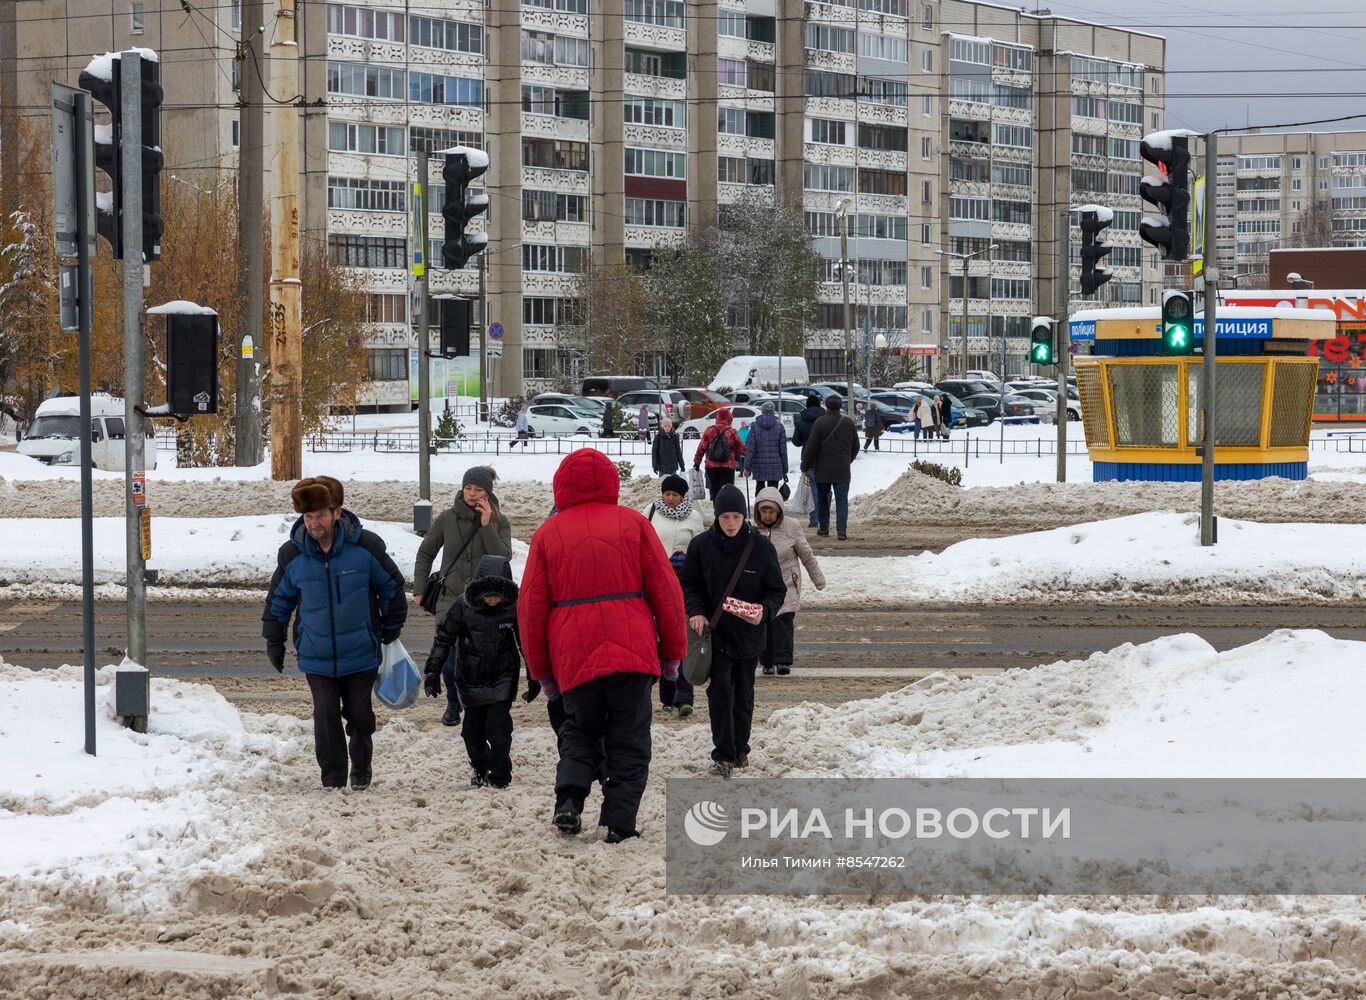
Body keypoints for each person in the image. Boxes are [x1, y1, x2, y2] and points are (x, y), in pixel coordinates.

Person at [519, 448, 687, 842]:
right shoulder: (634, 523)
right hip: (633, 650)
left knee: (579, 730)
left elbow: (530, 609)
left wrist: (542, 672)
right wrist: (672, 654)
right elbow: (667, 593)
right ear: (611, 482)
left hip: (573, 654)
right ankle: (618, 823)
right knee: (629, 739)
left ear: (561, 486)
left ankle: (569, 800)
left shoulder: (548, 533)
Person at [263, 478, 407, 790]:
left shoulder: (365, 546)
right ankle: (333, 779)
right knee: (325, 716)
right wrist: (274, 640)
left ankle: (362, 766)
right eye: (308, 517)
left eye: (321, 515)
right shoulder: (292, 554)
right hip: (316, 654)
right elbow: (279, 600)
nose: (314, 523)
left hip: (361, 651)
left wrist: (391, 625)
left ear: (337, 512)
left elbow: (392, 586)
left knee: (360, 716)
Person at [680, 484, 786, 778]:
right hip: (716, 635)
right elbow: (689, 584)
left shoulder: (761, 548)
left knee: (743, 695)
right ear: (716, 517)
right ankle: (724, 754)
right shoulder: (701, 546)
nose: (730, 523)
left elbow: (777, 591)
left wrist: (764, 610)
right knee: (720, 693)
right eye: (725, 517)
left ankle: (741, 749)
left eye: (736, 517)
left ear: (744, 516)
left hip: (749, 636)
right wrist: (696, 611)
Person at [413, 466, 513, 727]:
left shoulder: (500, 521)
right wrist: (420, 590)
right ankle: (453, 703)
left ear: (487, 492)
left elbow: (503, 557)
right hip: (449, 597)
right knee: (449, 657)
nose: (472, 493)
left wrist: (486, 526)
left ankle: (476, 703)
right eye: (468, 488)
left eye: (478, 489)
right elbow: (426, 552)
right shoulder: (447, 518)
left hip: (483, 603)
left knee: (479, 657)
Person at [422, 555, 528, 789]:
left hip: (503, 676)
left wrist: (534, 675)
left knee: (498, 731)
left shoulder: (514, 606)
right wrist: (432, 671)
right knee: (472, 735)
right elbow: (443, 639)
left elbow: (526, 642)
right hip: (470, 678)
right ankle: (480, 768)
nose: (493, 600)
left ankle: (500, 776)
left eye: (497, 596)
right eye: (488, 595)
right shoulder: (463, 605)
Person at [642, 473, 708, 717]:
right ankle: (666, 696)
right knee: (658, 637)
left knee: (681, 636)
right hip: (655, 582)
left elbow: (700, 550)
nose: (670, 498)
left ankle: (684, 697)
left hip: (683, 584)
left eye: (675, 495)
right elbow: (640, 543)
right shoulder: (650, 512)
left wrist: (688, 564)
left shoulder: (693, 517)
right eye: (667, 494)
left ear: (683, 497)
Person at [751, 488, 826, 677]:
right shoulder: (750, 528)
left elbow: (806, 554)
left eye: (772, 511)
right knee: (764, 623)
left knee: (783, 623)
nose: (768, 516)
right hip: (761, 587)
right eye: (764, 511)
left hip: (787, 584)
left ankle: (783, 661)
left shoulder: (792, 526)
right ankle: (767, 662)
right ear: (758, 511)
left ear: (779, 511)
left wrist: (818, 579)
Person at [800, 396, 860, 540]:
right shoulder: (848, 423)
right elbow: (856, 446)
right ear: (840, 407)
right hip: (842, 470)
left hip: (823, 469)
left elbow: (811, 447)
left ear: (826, 406)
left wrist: (805, 464)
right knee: (842, 501)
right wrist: (848, 460)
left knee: (823, 500)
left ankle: (824, 528)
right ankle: (841, 531)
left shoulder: (820, 422)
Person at [693, 406, 745, 503]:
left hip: (711, 466)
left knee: (714, 489)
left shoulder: (709, 430)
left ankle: (716, 507)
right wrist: (750, 456)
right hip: (728, 466)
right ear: (729, 418)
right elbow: (741, 448)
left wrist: (697, 462)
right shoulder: (732, 431)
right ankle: (725, 508)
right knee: (727, 490)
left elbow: (701, 447)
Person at [742, 400, 788, 491]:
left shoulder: (754, 426)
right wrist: (785, 469)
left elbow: (750, 449)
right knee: (773, 493)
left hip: (759, 466)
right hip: (775, 466)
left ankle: (760, 500)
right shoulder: (780, 427)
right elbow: (783, 451)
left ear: (762, 411)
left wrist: (747, 467)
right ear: (773, 411)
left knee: (760, 490)